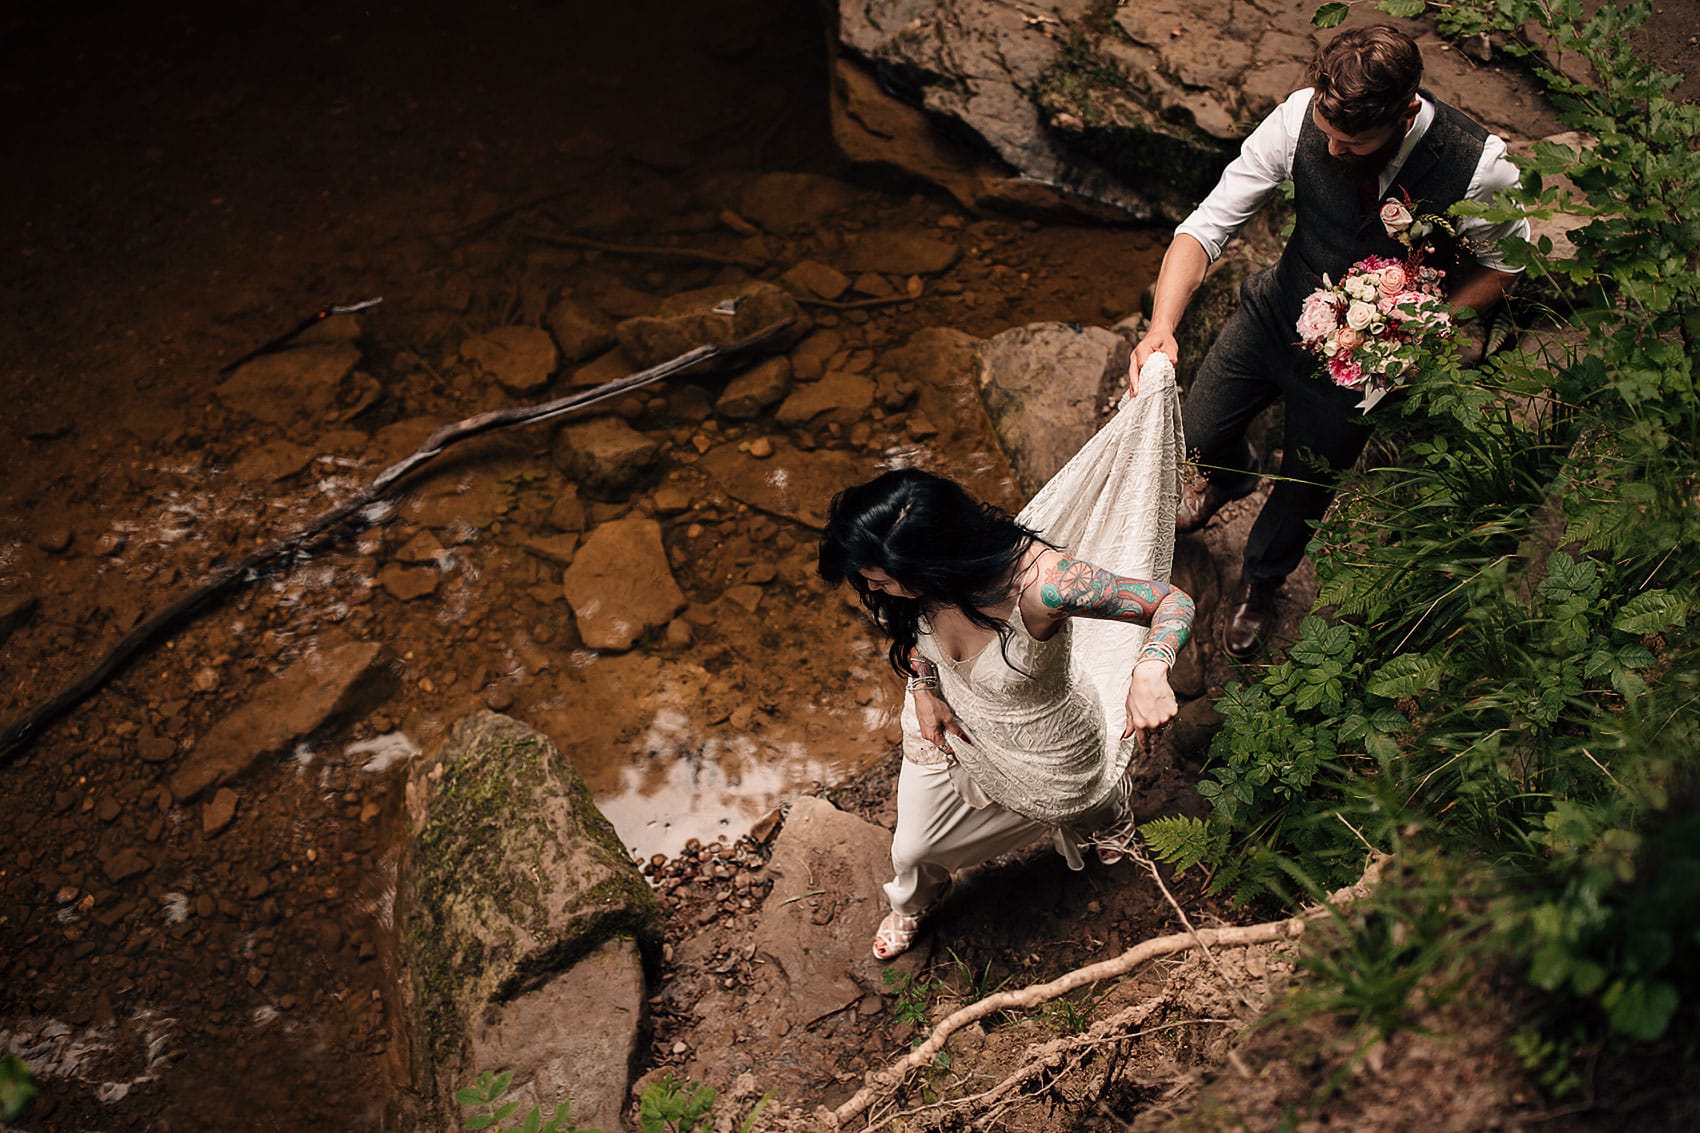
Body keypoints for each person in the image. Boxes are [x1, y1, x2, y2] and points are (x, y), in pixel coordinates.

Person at [1129, 24, 1530, 658]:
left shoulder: (1478, 167)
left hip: (1363, 365)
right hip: (1272, 314)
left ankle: (1262, 583)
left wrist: (1427, 326)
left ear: (1405, 112)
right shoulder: (1296, 118)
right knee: (1197, 433)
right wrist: (1161, 328)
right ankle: (1229, 481)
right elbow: (1206, 228)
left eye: (1354, 142)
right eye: (1328, 132)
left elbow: (1505, 265)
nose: (1334, 150)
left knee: (1306, 484)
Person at [818, 355, 1195, 959]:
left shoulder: (1042, 586)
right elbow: (913, 635)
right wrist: (924, 689)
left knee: (1091, 798)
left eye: (883, 581)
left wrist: (1149, 668)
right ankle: (914, 900)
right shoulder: (914, 586)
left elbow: (1171, 603)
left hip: (1049, 748)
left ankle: (1110, 819)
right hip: (958, 728)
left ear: (932, 564)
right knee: (912, 849)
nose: (876, 593)